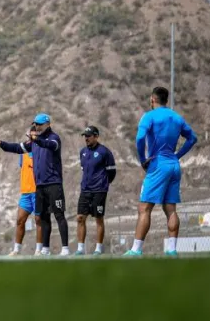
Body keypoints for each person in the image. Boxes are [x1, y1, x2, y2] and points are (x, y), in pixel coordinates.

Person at [125, 86, 197, 256]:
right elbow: (193, 138)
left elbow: (140, 138)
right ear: (166, 100)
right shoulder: (177, 117)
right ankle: (172, 250)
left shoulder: (149, 116)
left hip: (158, 165)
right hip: (174, 165)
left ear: (152, 99)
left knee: (144, 208)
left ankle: (136, 250)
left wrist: (142, 160)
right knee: (171, 209)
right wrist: (177, 155)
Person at [0, 113, 69, 256]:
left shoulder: (54, 138)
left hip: (53, 184)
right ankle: (45, 249)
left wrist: (37, 140)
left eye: (39, 124)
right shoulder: (33, 143)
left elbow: (50, 145)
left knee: (59, 215)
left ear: (47, 124)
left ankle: (65, 249)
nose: (37, 126)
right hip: (40, 186)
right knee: (43, 218)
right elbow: (17, 148)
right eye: (35, 124)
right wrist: (1, 143)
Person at [0, 128, 43, 255]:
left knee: (39, 220)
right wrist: (0, 143)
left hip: (38, 192)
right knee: (20, 220)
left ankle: (39, 250)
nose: (31, 138)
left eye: (35, 136)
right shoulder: (23, 153)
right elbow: (21, 163)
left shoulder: (42, 151)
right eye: (30, 135)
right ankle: (17, 250)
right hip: (25, 193)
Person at [76, 126, 116, 255]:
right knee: (80, 218)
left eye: (89, 136)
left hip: (99, 190)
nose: (86, 138)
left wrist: (104, 183)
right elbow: (84, 169)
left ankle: (98, 248)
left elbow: (112, 172)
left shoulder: (105, 152)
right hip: (85, 190)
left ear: (96, 136)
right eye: (85, 136)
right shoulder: (82, 152)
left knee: (98, 218)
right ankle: (80, 249)